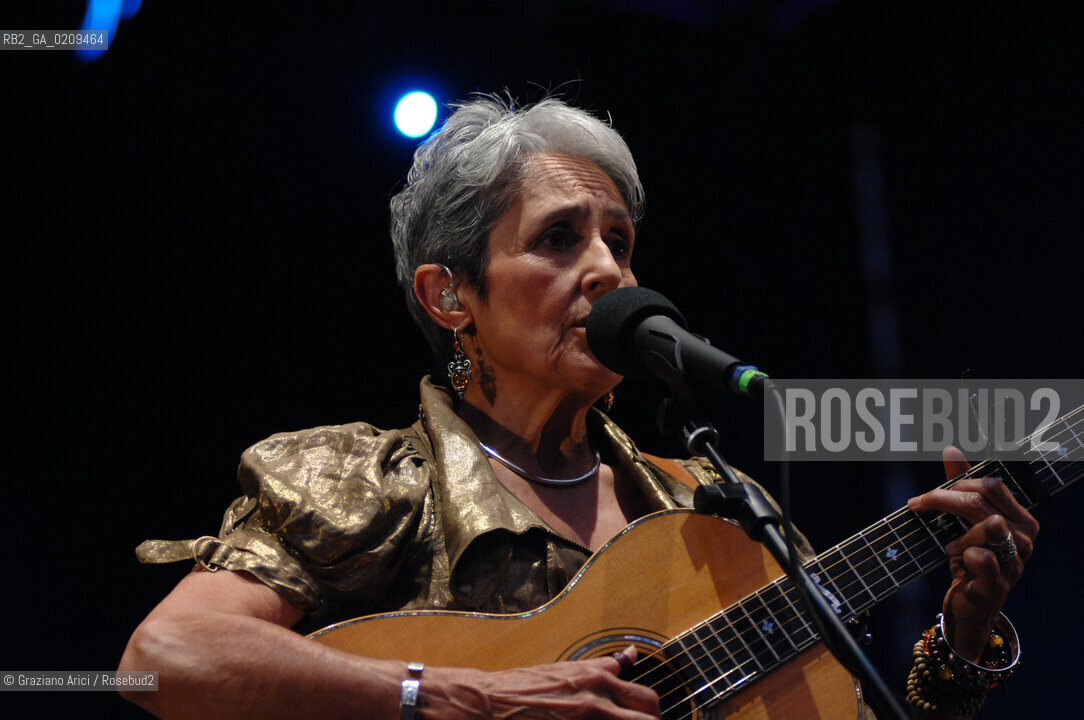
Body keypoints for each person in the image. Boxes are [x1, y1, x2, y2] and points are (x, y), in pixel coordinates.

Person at [119, 95, 1039, 720]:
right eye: (558, 239)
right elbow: (164, 657)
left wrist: (963, 634)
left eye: (620, 241)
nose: (607, 270)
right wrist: (472, 695)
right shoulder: (359, 482)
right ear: (450, 295)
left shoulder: (715, 515)